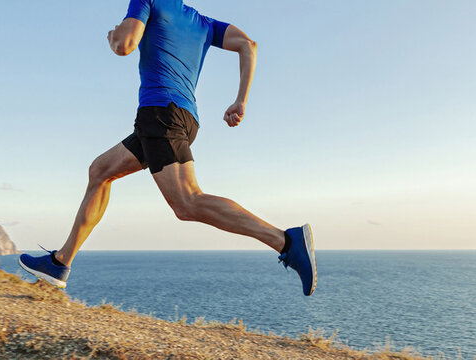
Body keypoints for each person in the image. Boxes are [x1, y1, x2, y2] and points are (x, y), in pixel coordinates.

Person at [19, 0, 317, 296]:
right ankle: (60, 263)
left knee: (187, 202)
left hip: (160, 115)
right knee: (100, 170)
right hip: (181, 118)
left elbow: (125, 44)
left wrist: (113, 35)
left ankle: (286, 242)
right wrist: (241, 101)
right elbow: (248, 45)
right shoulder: (202, 23)